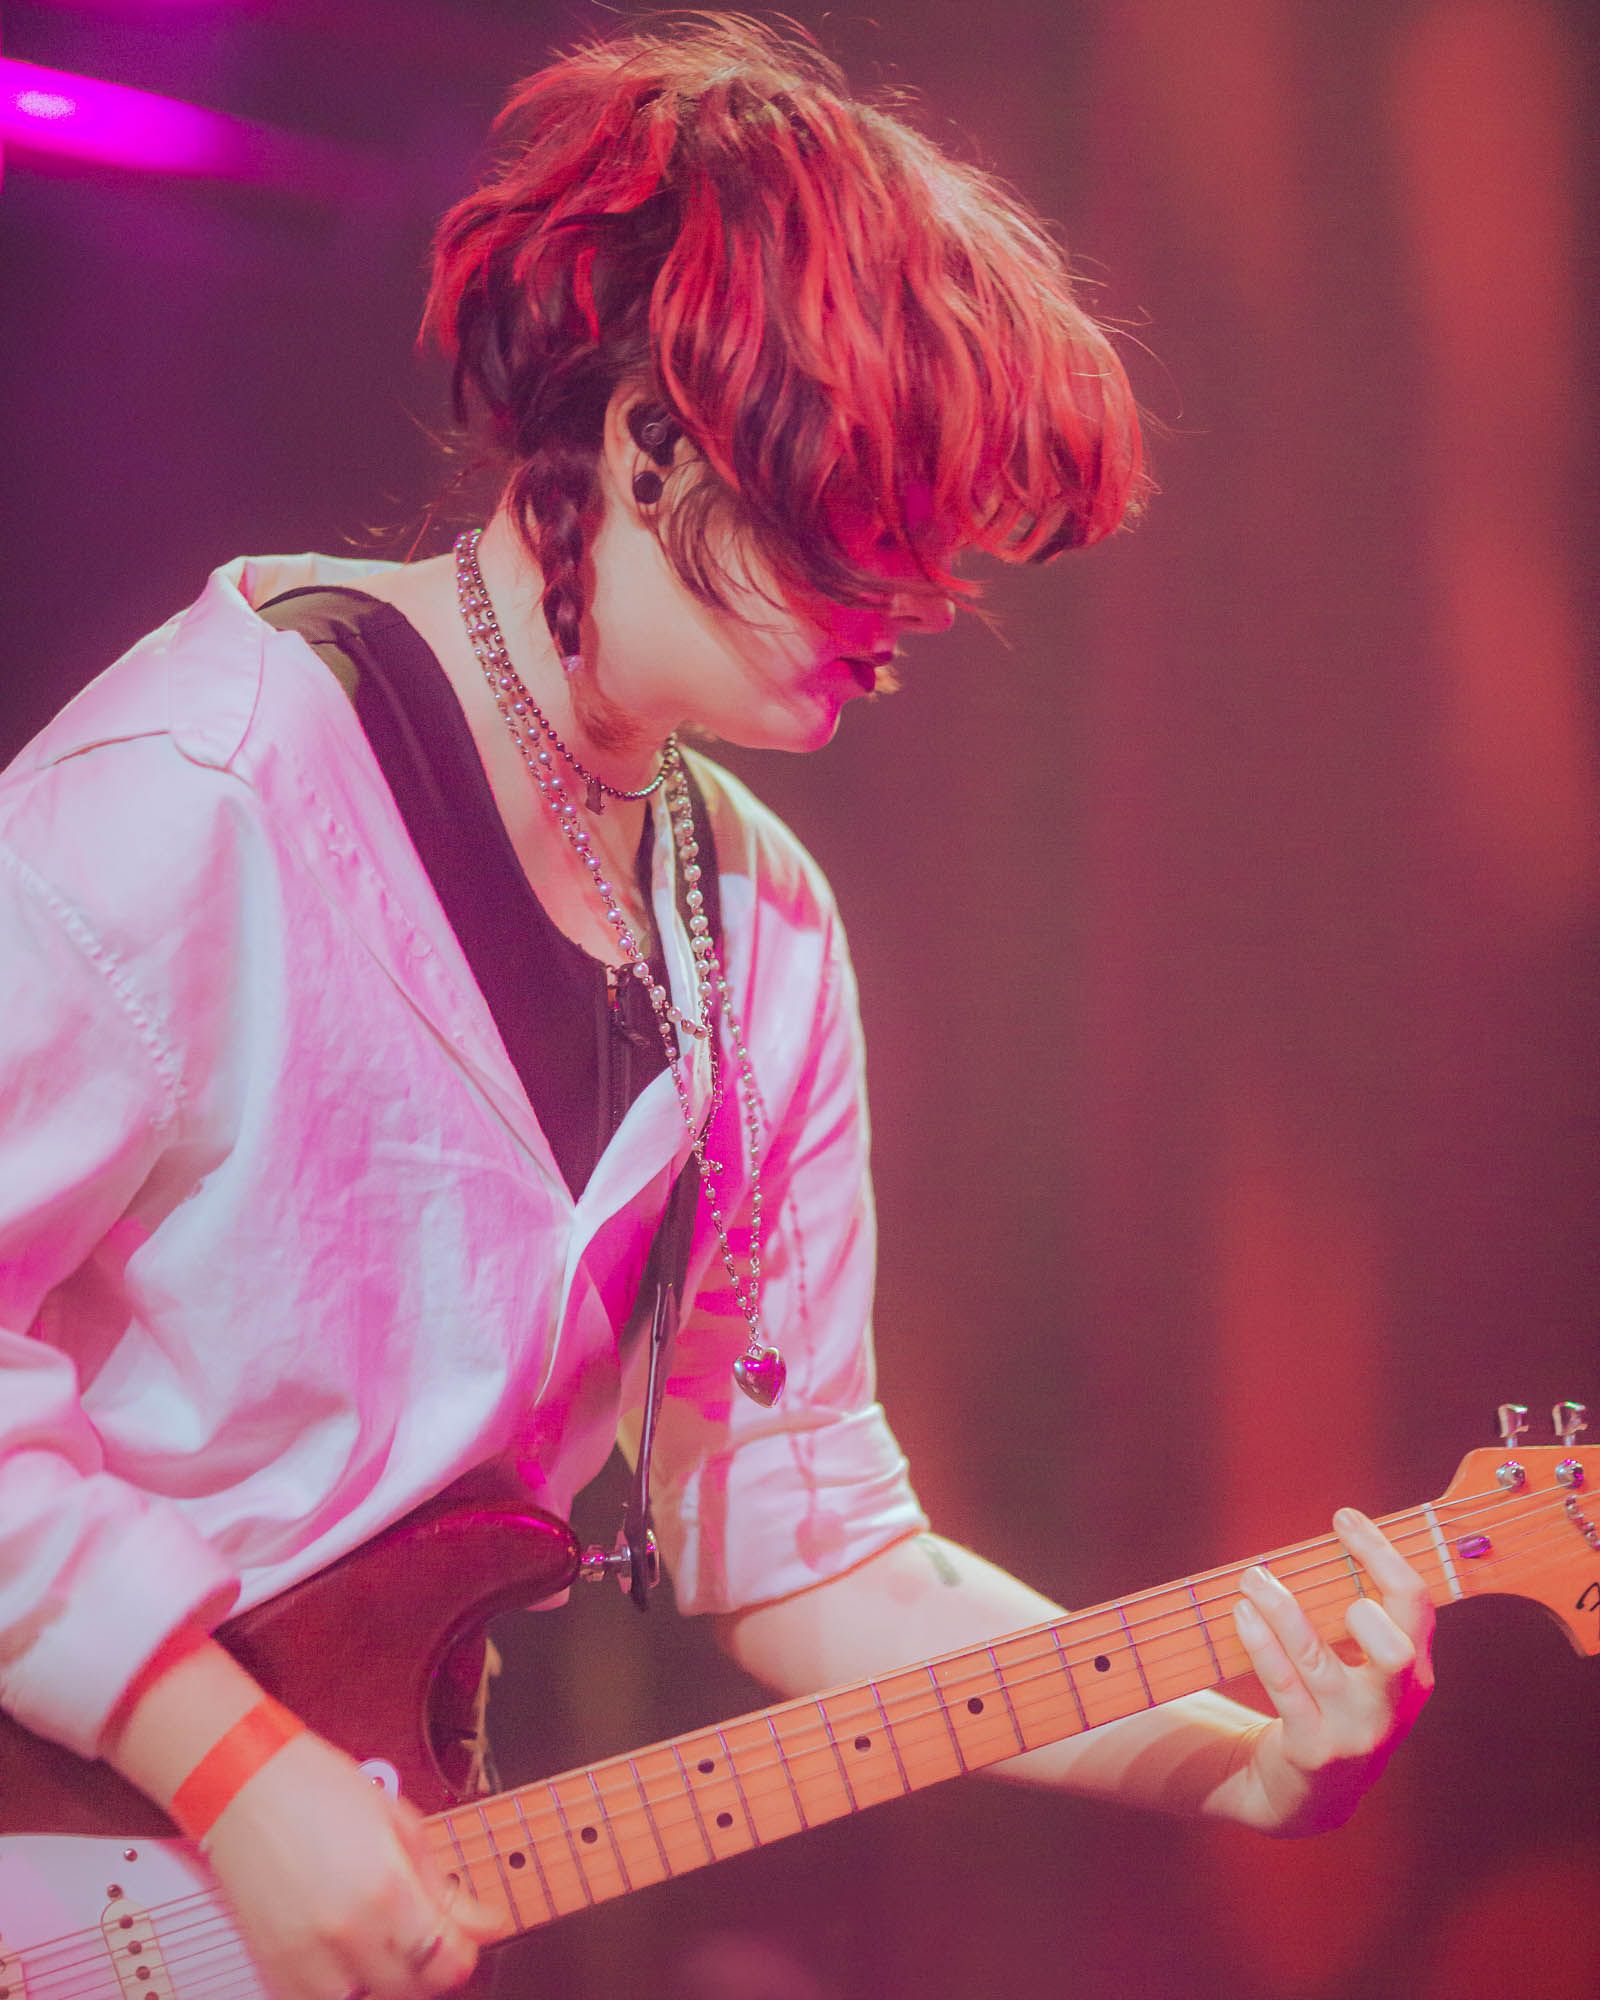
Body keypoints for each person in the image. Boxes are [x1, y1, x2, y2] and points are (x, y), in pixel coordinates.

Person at [0, 15, 1435, 2000]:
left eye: (937, 544)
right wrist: (229, 1762)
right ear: (648, 440)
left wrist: (1227, 1758)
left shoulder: (758, 927)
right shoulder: (194, 795)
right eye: (863, 528)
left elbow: (808, 1542)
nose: (913, 603)